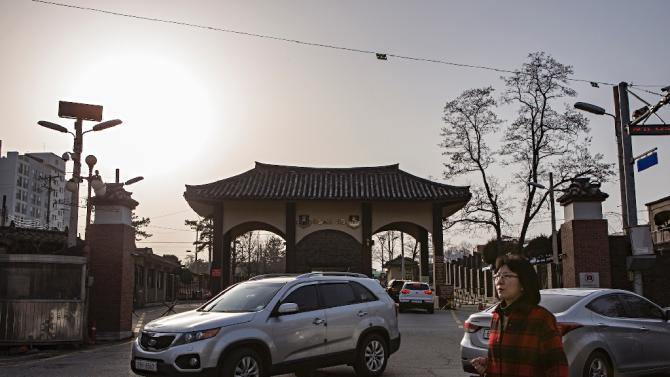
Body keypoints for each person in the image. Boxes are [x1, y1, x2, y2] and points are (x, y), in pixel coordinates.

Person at [471, 254, 568, 377]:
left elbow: (558, 368)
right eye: (497, 276)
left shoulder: (541, 318)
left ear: (523, 283)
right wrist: (489, 367)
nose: (499, 281)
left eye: (506, 276)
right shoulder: (497, 316)